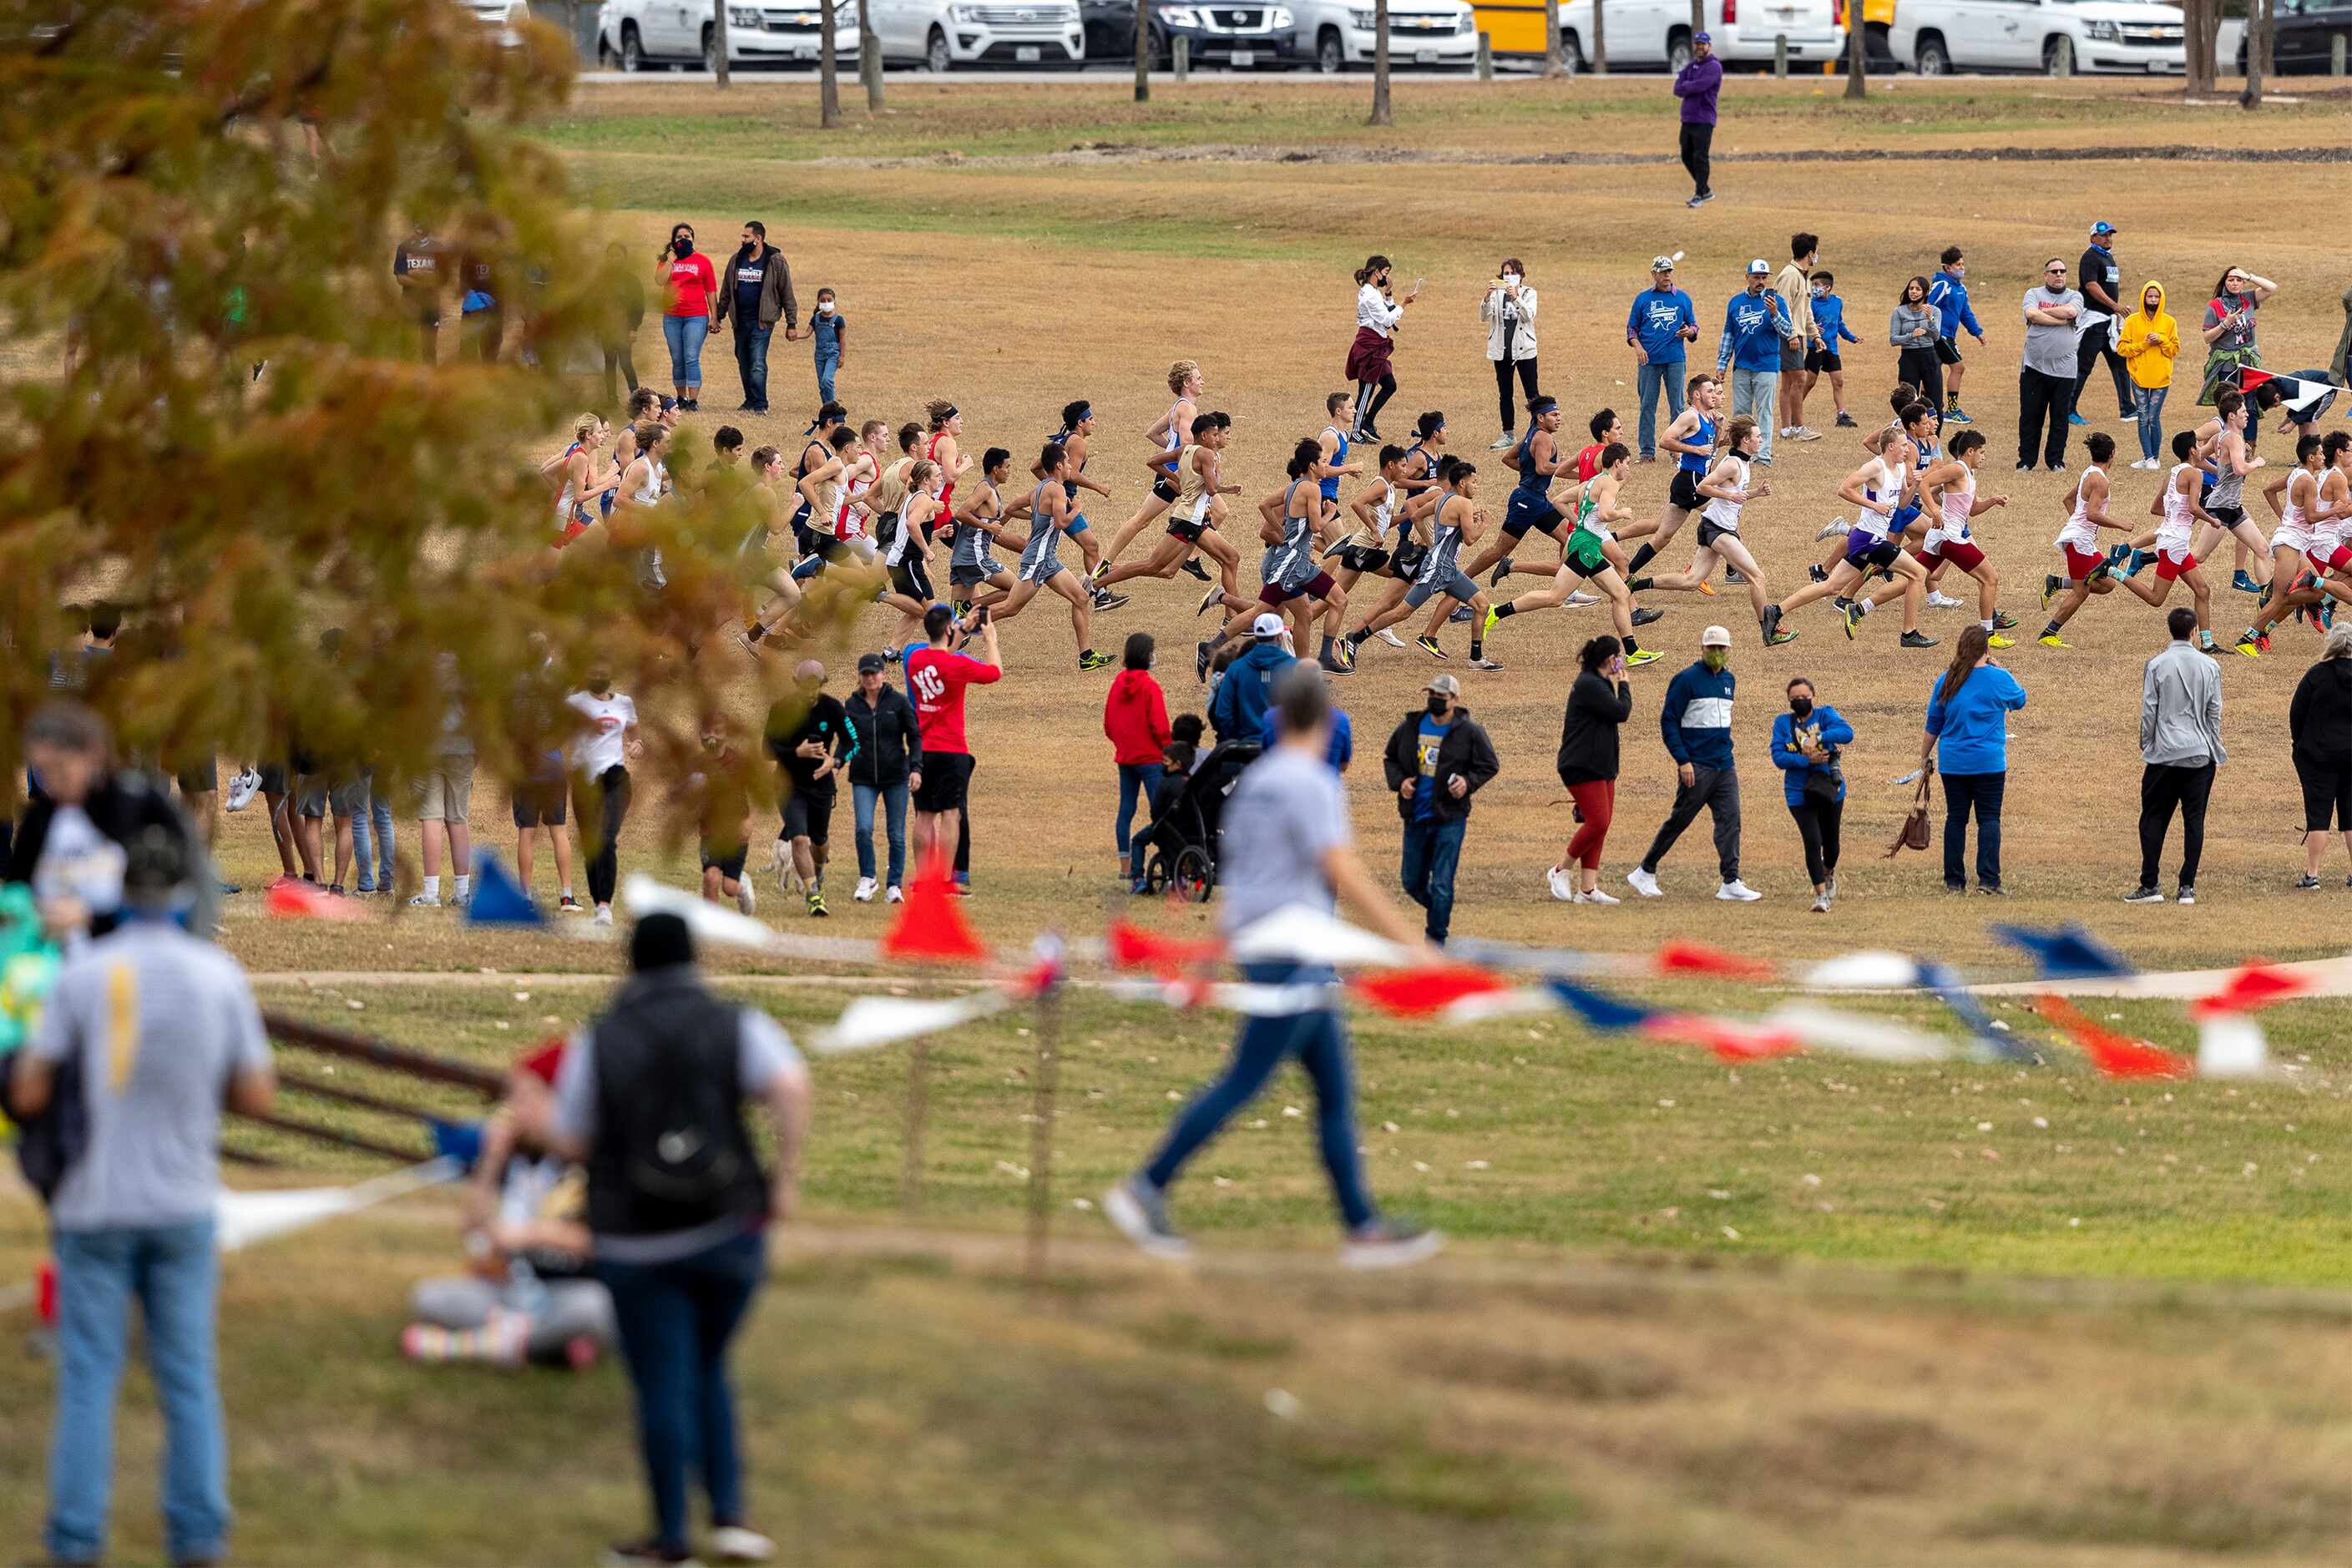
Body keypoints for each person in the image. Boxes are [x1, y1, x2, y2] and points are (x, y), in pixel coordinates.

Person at [1102, 663, 1441, 1269]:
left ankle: (1362, 1227)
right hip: (1290, 957)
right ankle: (1145, 1185)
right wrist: (1408, 945)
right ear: (1324, 719)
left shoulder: (1256, 782)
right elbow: (1340, 868)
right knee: (1245, 1081)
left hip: (1277, 950)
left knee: (1335, 1092)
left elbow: (1242, 884)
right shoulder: (1311, 783)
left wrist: (1206, 967)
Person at [13, 824, 275, 1568]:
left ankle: (75, 1537)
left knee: (89, 1377)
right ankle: (198, 1534)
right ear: (188, 893)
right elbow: (258, 1091)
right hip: (183, 1204)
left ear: (121, 895)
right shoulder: (217, 974)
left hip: (95, 1202)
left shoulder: (85, 972)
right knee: (188, 1373)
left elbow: (30, 1089)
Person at [534, 913, 811, 1568]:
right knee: (708, 1364)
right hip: (727, 1227)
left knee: (663, 1381)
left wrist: (541, 1125)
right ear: (695, 959)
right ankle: (731, 1517)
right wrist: (785, 1178)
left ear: (630, 962)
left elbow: (575, 1139)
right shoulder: (736, 1022)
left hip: (637, 1242)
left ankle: (669, 1541)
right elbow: (791, 1087)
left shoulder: (597, 1039)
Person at [402, 1043, 615, 1370]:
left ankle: (479, 1345)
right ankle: (546, 1345)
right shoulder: (518, 1158)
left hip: (571, 1291)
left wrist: (533, 1236)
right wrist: (491, 1160)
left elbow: (604, 1244)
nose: (515, 1109)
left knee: (598, 1310)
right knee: (428, 1297)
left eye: (527, 1098)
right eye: (513, 1099)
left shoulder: (597, 1159)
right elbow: (472, 1228)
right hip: (513, 1295)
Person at [7, 703, 215, 943]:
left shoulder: (139, 805)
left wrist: (93, 919)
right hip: (54, 961)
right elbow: (18, 893)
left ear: (93, 755)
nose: (53, 783)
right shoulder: (40, 818)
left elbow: (182, 892)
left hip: (129, 957)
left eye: (61, 769)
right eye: (44, 771)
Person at [1626, 625, 1758, 903]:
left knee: (1730, 821)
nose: (1717, 653)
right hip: (1696, 766)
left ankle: (1731, 880)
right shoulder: (1686, 680)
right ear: (1703, 648)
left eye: (1722, 648)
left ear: (1729, 650)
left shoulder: (1729, 681)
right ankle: (1645, 870)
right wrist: (1682, 761)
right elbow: (1669, 722)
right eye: (1712, 648)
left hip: (1725, 765)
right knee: (1680, 820)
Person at [1382, 673, 1498, 948]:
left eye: (1440, 697)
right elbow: (1391, 758)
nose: (1434, 700)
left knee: (1443, 884)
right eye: (1431, 695)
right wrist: (1400, 782)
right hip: (1416, 816)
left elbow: (1489, 765)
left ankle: (1436, 941)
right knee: (1412, 882)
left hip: (1450, 817)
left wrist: (1468, 782)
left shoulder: (1470, 732)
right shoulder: (1411, 727)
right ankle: (1439, 914)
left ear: (1454, 700)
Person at [2125, 606, 2223, 906]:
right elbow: (2214, 710)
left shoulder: (2157, 664)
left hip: (2164, 754)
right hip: (2199, 753)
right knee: (2194, 820)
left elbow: (2149, 710)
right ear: (2195, 631)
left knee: (2153, 818)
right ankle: (2187, 886)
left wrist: (2147, 742)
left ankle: (2150, 883)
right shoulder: (2210, 666)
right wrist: (2211, 740)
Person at [1920, 625, 2027, 894]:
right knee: (1989, 819)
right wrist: (2000, 668)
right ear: (1986, 650)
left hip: (1954, 762)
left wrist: (1924, 757)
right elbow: (2019, 699)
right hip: (1988, 762)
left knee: (1956, 818)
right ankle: (1989, 880)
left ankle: (1954, 881)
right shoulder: (1997, 678)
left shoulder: (1947, 678)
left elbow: (1934, 723)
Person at [906, 604, 1000, 886]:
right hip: (951, 749)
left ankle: (923, 877)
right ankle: (944, 878)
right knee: (950, 813)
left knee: (924, 816)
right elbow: (994, 672)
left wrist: (960, 628)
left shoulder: (914, 659)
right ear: (947, 630)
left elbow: (941, 655)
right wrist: (991, 639)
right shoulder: (957, 665)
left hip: (923, 749)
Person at [766, 660, 852, 919]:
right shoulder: (781, 709)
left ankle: (819, 873)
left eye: (816, 688)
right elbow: (766, 749)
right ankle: (813, 894)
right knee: (799, 838)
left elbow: (853, 741)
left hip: (821, 786)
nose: (811, 693)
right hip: (788, 785)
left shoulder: (833, 708)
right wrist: (796, 752)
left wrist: (835, 762)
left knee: (820, 841)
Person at [1552, 635, 1633, 904]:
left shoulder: (1598, 683)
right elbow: (1622, 712)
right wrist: (1624, 684)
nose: (1620, 661)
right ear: (1610, 658)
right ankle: (1560, 870)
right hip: (1582, 764)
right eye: (1618, 656)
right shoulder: (1590, 684)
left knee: (1599, 826)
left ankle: (1587, 890)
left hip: (1602, 765)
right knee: (1598, 822)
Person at [843, 651, 919, 905]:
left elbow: (914, 736)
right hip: (863, 776)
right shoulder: (852, 705)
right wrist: (837, 762)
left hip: (896, 776)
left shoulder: (898, 702)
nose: (870, 678)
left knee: (895, 833)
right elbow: (847, 739)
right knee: (863, 828)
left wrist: (916, 768)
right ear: (860, 676)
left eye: (874, 673)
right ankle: (868, 877)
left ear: (883, 674)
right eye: (865, 674)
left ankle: (894, 885)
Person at [1771, 677, 1852, 914]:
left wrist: (1819, 738)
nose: (1800, 701)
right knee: (1812, 841)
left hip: (1829, 789)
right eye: (1795, 698)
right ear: (1789, 700)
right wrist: (1807, 759)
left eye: (1804, 697)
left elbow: (1847, 733)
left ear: (1813, 696)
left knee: (1832, 844)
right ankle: (1820, 896)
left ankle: (1828, 873)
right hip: (1798, 792)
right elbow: (1778, 757)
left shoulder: (1825, 715)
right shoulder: (1783, 724)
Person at [566, 670, 640, 928]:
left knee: (606, 838)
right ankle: (598, 901)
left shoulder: (624, 703)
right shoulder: (575, 703)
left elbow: (634, 731)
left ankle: (604, 906)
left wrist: (637, 743)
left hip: (615, 778)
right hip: (585, 781)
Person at [1105, 631, 1173, 889]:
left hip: (1126, 757)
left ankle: (1125, 866)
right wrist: (1168, 750)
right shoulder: (1149, 687)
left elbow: (1109, 723)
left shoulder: (1118, 683)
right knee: (1162, 812)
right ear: (1147, 656)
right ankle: (1166, 861)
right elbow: (1160, 726)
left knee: (1126, 809)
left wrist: (1123, 744)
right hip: (1152, 759)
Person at [710, 220, 796, 417]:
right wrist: (718, 317)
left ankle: (761, 403)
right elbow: (726, 291)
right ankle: (749, 398)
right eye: (743, 236)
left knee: (757, 361)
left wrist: (792, 323)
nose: (743, 240)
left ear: (758, 239)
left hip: (762, 322)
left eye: (746, 237)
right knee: (743, 360)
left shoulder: (775, 261)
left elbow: (787, 292)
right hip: (740, 320)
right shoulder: (737, 260)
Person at [2290, 623, 2352, 888]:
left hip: (2318, 756)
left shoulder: (2317, 675)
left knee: (2318, 816)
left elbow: (2297, 713)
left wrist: (2300, 743)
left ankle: (2312, 875)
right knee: (2350, 817)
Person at [1718, 259, 1794, 468]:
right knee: (1740, 413)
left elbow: (1788, 331)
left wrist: (1774, 313)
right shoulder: (1735, 302)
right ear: (1747, 277)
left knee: (1764, 412)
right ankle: (1740, 455)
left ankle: (1763, 456)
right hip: (1742, 365)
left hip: (1767, 366)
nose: (1760, 281)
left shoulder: (1776, 301)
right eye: (1756, 277)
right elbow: (1728, 334)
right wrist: (1722, 364)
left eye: (1764, 278)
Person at [1628, 255, 1700, 462]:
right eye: (1662, 271)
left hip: (1675, 359)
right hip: (1649, 361)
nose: (1667, 275)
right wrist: (1638, 347)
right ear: (1654, 274)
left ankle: (1676, 451)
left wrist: (1689, 332)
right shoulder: (1643, 299)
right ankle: (1647, 452)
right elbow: (1632, 328)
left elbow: (1694, 326)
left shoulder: (1682, 299)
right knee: (1647, 405)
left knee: (1677, 406)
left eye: (1669, 271)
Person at [2020, 258, 2085, 473]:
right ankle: (2027, 461)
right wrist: (2058, 320)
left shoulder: (2075, 296)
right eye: (2054, 271)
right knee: (2031, 416)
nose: (2059, 275)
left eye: (2062, 271)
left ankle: (2055, 460)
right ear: (2046, 274)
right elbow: (2031, 314)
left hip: (2065, 370)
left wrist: (2043, 313)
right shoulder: (2033, 294)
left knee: (2059, 418)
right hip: (2034, 367)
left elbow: (2071, 313)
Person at [2070, 220, 2133, 428]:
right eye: (2103, 235)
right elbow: (2091, 286)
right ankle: (2068, 409)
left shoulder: (2107, 257)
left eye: (2110, 235)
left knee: (2120, 363)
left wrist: (2115, 311)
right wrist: (2115, 305)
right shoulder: (2090, 257)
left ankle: (2127, 408)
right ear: (2092, 237)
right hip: (2093, 322)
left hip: (2108, 323)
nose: (2108, 238)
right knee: (2083, 366)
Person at [1347, 255, 1417, 442]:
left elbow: (1385, 317)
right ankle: (1356, 431)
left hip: (1376, 343)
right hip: (1370, 344)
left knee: (1389, 385)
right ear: (1376, 272)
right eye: (1385, 273)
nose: (1386, 276)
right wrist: (1403, 304)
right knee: (1367, 388)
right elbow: (1387, 321)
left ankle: (1368, 423)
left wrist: (1388, 294)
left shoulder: (1373, 292)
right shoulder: (1369, 294)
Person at [655, 221, 717, 413]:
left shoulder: (703, 261)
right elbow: (659, 281)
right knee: (677, 358)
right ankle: (680, 397)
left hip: (696, 316)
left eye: (687, 237)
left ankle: (693, 399)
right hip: (672, 316)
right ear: (673, 241)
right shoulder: (667, 261)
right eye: (679, 237)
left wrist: (714, 317)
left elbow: (711, 290)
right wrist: (672, 260)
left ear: (693, 239)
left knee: (691, 357)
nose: (683, 240)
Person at [2118, 281, 2181, 469]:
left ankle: (2155, 457)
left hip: (2161, 378)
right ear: (2144, 297)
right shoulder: (2132, 321)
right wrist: (2144, 345)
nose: (2153, 300)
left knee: (2153, 417)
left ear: (2161, 299)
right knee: (2143, 417)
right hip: (2138, 377)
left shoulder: (2169, 322)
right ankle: (2148, 457)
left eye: (2156, 296)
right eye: (2150, 296)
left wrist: (2161, 340)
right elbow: (2122, 349)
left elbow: (2174, 350)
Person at [1480, 260, 1540, 451]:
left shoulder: (1530, 293)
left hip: (1525, 350)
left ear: (1521, 275)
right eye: (1506, 273)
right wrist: (1487, 297)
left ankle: (1538, 433)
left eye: (1513, 273)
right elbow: (1484, 317)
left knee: (1532, 393)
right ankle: (1508, 434)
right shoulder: (1497, 295)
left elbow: (1529, 315)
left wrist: (1516, 298)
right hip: (1502, 350)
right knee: (1505, 393)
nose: (1509, 277)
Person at [2199, 265, 2279, 407]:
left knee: (2250, 405)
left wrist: (2249, 276)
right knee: (2230, 405)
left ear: (2243, 283)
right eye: (2231, 280)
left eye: (2239, 280)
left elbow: (2272, 287)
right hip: (2227, 364)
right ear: (2225, 282)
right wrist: (2226, 324)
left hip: (2248, 361)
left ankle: (2250, 429)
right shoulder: (2215, 306)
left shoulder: (2249, 298)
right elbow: (2207, 338)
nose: (2235, 283)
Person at [1209, 613, 1297, 741]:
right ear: (1279, 636)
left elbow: (1222, 713)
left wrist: (1237, 738)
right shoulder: (1296, 668)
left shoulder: (1236, 669)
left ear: (1256, 636)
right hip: (1282, 748)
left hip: (1245, 745)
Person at [1927, 245, 1985, 424]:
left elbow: (1965, 313)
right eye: (1958, 265)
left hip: (1949, 336)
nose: (1962, 268)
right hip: (1940, 335)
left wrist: (1977, 332)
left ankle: (1926, 409)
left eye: (1962, 264)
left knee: (1930, 371)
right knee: (1958, 367)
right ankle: (1951, 410)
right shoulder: (1942, 285)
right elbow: (1927, 306)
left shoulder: (1961, 288)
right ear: (1947, 267)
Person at [1774, 233, 1823, 445]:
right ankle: (1798, 427)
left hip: (1799, 335)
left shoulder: (1805, 277)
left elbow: (1806, 310)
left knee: (1788, 382)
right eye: (1815, 252)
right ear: (1810, 253)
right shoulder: (1789, 275)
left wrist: (1815, 335)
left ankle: (1787, 429)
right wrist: (1791, 334)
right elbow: (1781, 308)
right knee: (1799, 379)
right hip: (1789, 336)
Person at [1805, 270, 1861, 429]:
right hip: (1815, 347)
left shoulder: (1837, 302)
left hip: (1832, 348)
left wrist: (1851, 337)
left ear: (1827, 287)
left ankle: (1842, 415)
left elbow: (1839, 323)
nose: (1813, 288)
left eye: (1816, 285)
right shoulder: (1810, 304)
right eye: (1812, 285)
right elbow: (1804, 322)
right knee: (1809, 382)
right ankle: (1796, 413)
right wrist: (1813, 329)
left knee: (1839, 382)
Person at [1673, 32, 1721, 208]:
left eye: (1703, 44)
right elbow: (1677, 88)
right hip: (1688, 118)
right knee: (1686, 156)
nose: (1700, 47)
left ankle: (1699, 194)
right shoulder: (1691, 66)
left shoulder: (1714, 67)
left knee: (1701, 157)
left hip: (1704, 119)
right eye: (1697, 44)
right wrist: (1687, 86)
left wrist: (1687, 86)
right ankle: (1706, 189)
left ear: (1709, 46)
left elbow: (1701, 86)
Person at [600, 240, 646, 405]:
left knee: (626, 362)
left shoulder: (631, 281)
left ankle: (637, 398)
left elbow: (638, 306)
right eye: (610, 256)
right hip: (606, 328)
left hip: (625, 328)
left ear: (624, 258)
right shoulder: (601, 279)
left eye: (617, 255)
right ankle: (611, 398)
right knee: (610, 362)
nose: (614, 259)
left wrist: (634, 328)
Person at [1891, 275, 1943, 414]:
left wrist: (1929, 319)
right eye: (1911, 288)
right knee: (1908, 403)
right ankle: (1909, 435)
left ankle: (1934, 435)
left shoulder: (1935, 311)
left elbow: (1936, 336)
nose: (1913, 292)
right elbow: (1893, 340)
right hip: (1909, 358)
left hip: (1929, 357)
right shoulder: (1899, 311)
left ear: (1925, 293)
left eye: (1918, 289)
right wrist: (1911, 335)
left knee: (1936, 403)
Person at [807, 286, 844, 405]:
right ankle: (826, 406)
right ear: (818, 302)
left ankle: (832, 406)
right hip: (819, 354)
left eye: (829, 300)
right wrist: (795, 335)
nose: (826, 303)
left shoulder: (839, 320)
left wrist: (842, 356)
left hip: (833, 353)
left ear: (834, 301)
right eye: (823, 301)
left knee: (827, 380)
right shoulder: (816, 318)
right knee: (822, 384)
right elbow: (808, 333)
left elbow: (843, 339)